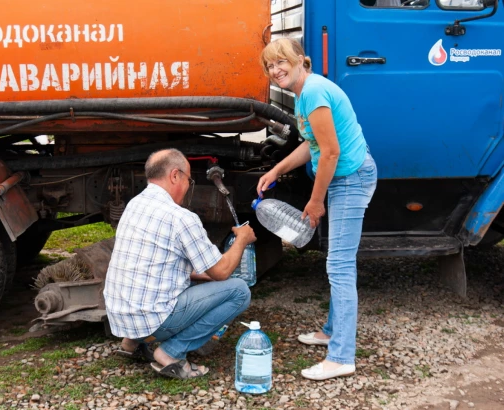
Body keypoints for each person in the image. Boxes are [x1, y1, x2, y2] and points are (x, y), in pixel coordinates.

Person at [257, 38, 377, 381]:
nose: (276, 70)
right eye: (270, 65)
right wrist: (277, 169)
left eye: (281, 62)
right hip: (345, 176)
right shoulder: (305, 91)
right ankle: (330, 331)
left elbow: (330, 153)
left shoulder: (313, 93)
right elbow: (313, 146)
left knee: (339, 265)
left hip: (351, 178)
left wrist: (315, 200)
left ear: (301, 60)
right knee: (335, 259)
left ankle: (341, 356)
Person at [103, 148, 256, 379]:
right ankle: (171, 354)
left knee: (181, 284)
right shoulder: (181, 217)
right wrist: (242, 239)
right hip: (152, 318)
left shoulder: (134, 205)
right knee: (239, 291)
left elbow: (161, 265)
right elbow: (222, 272)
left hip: (120, 317)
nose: (187, 186)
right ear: (175, 175)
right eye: (188, 179)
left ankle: (130, 344)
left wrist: (206, 277)